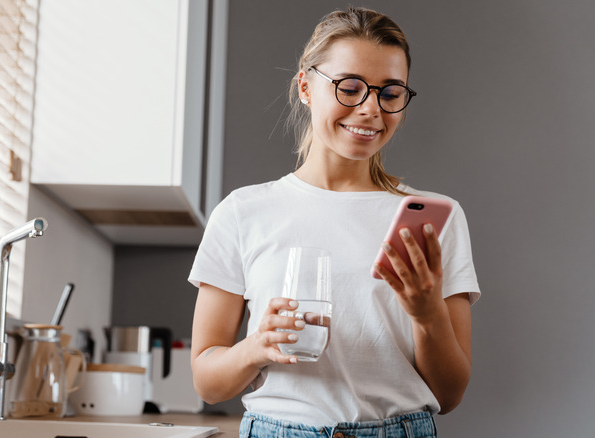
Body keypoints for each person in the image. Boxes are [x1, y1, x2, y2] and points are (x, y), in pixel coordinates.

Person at [188, 7, 480, 438]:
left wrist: (427, 314)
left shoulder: (436, 219)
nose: (370, 109)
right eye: (350, 88)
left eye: (390, 93)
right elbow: (207, 383)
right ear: (306, 86)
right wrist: (255, 347)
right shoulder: (242, 212)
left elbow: (450, 394)